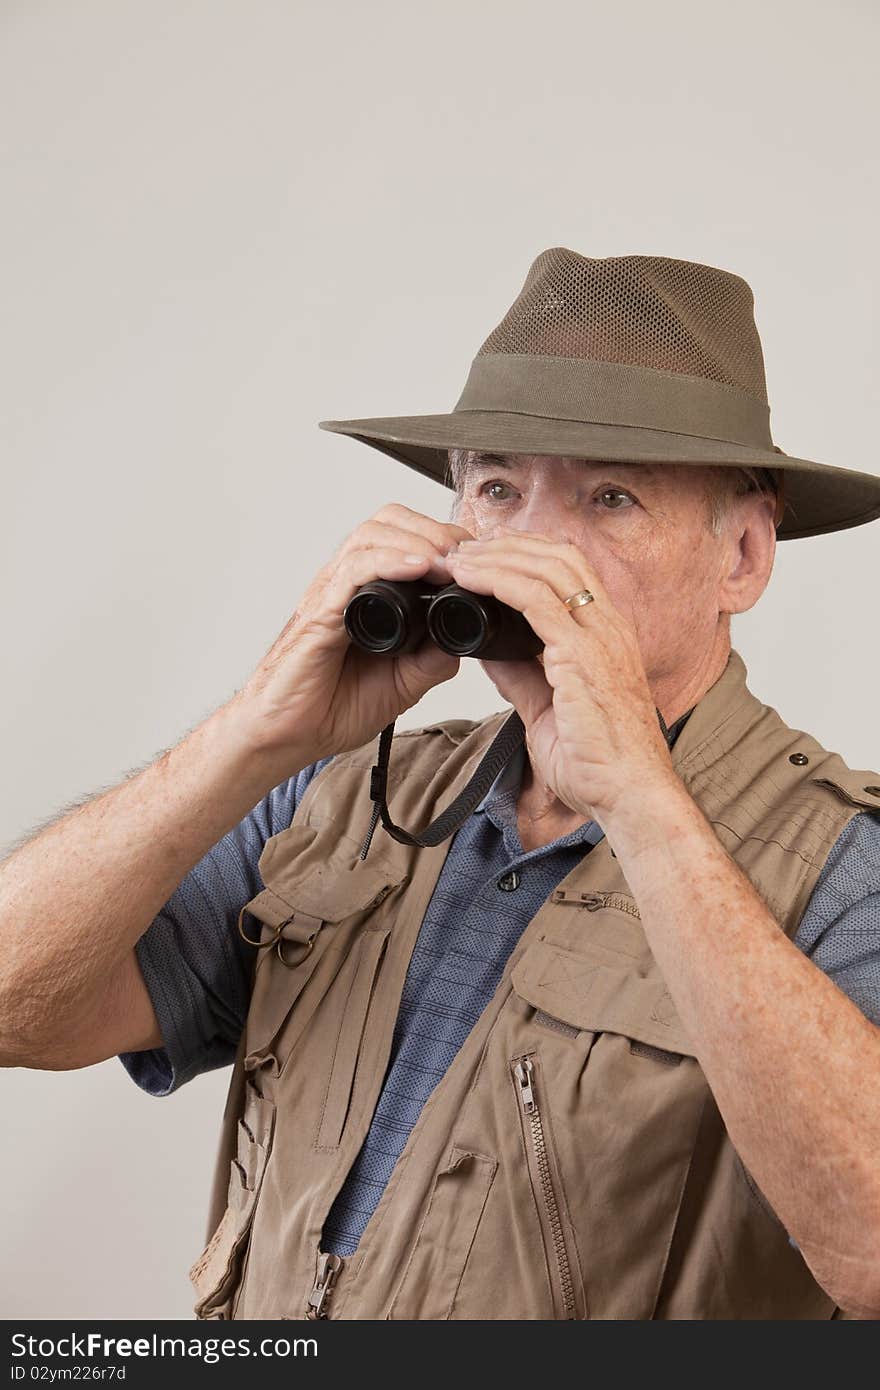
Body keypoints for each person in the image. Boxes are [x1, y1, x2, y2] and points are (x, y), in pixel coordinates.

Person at [2, 248, 880, 1321]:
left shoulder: (845, 868)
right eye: (500, 489)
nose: (532, 548)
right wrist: (252, 734)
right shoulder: (335, 801)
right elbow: (14, 1004)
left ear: (741, 554)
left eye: (609, 497)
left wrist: (643, 805)